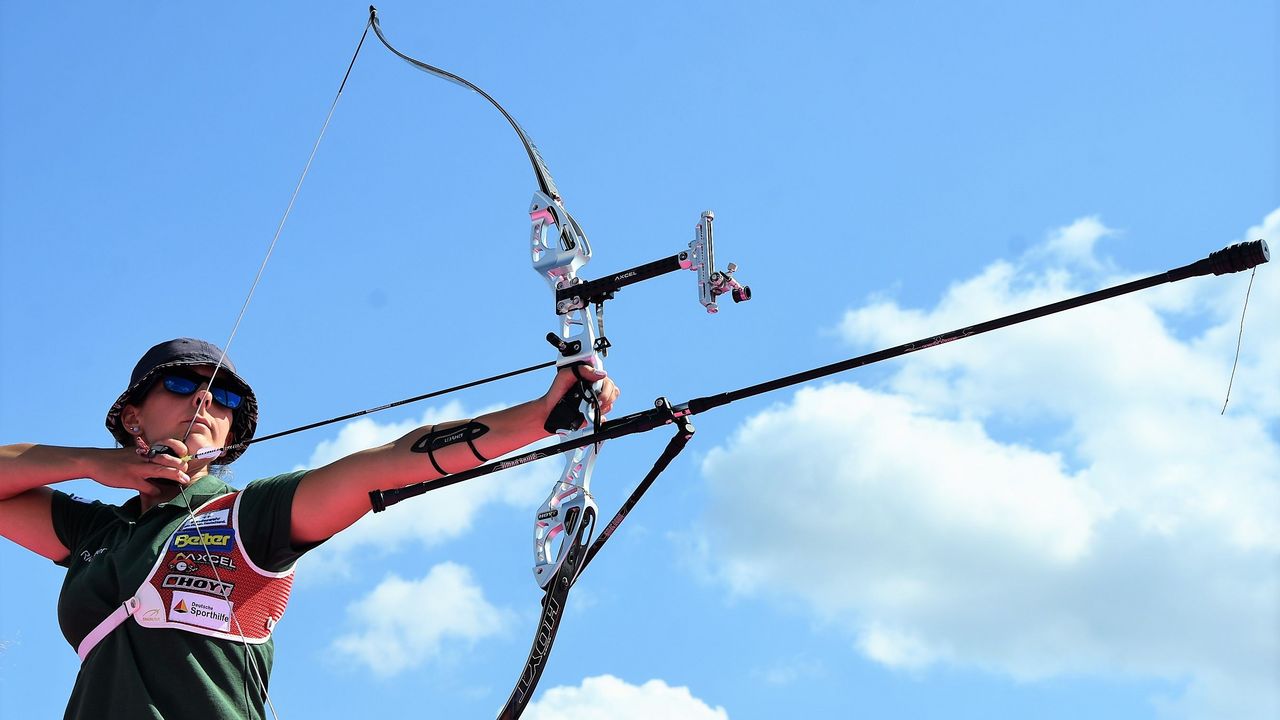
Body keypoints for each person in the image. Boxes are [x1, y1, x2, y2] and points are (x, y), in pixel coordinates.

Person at [0, 337, 618, 720]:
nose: (204, 404)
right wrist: (94, 463)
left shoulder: (247, 517)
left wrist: (541, 417)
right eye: (183, 385)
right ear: (132, 414)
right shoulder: (94, 534)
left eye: (224, 402)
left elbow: (383, 466)